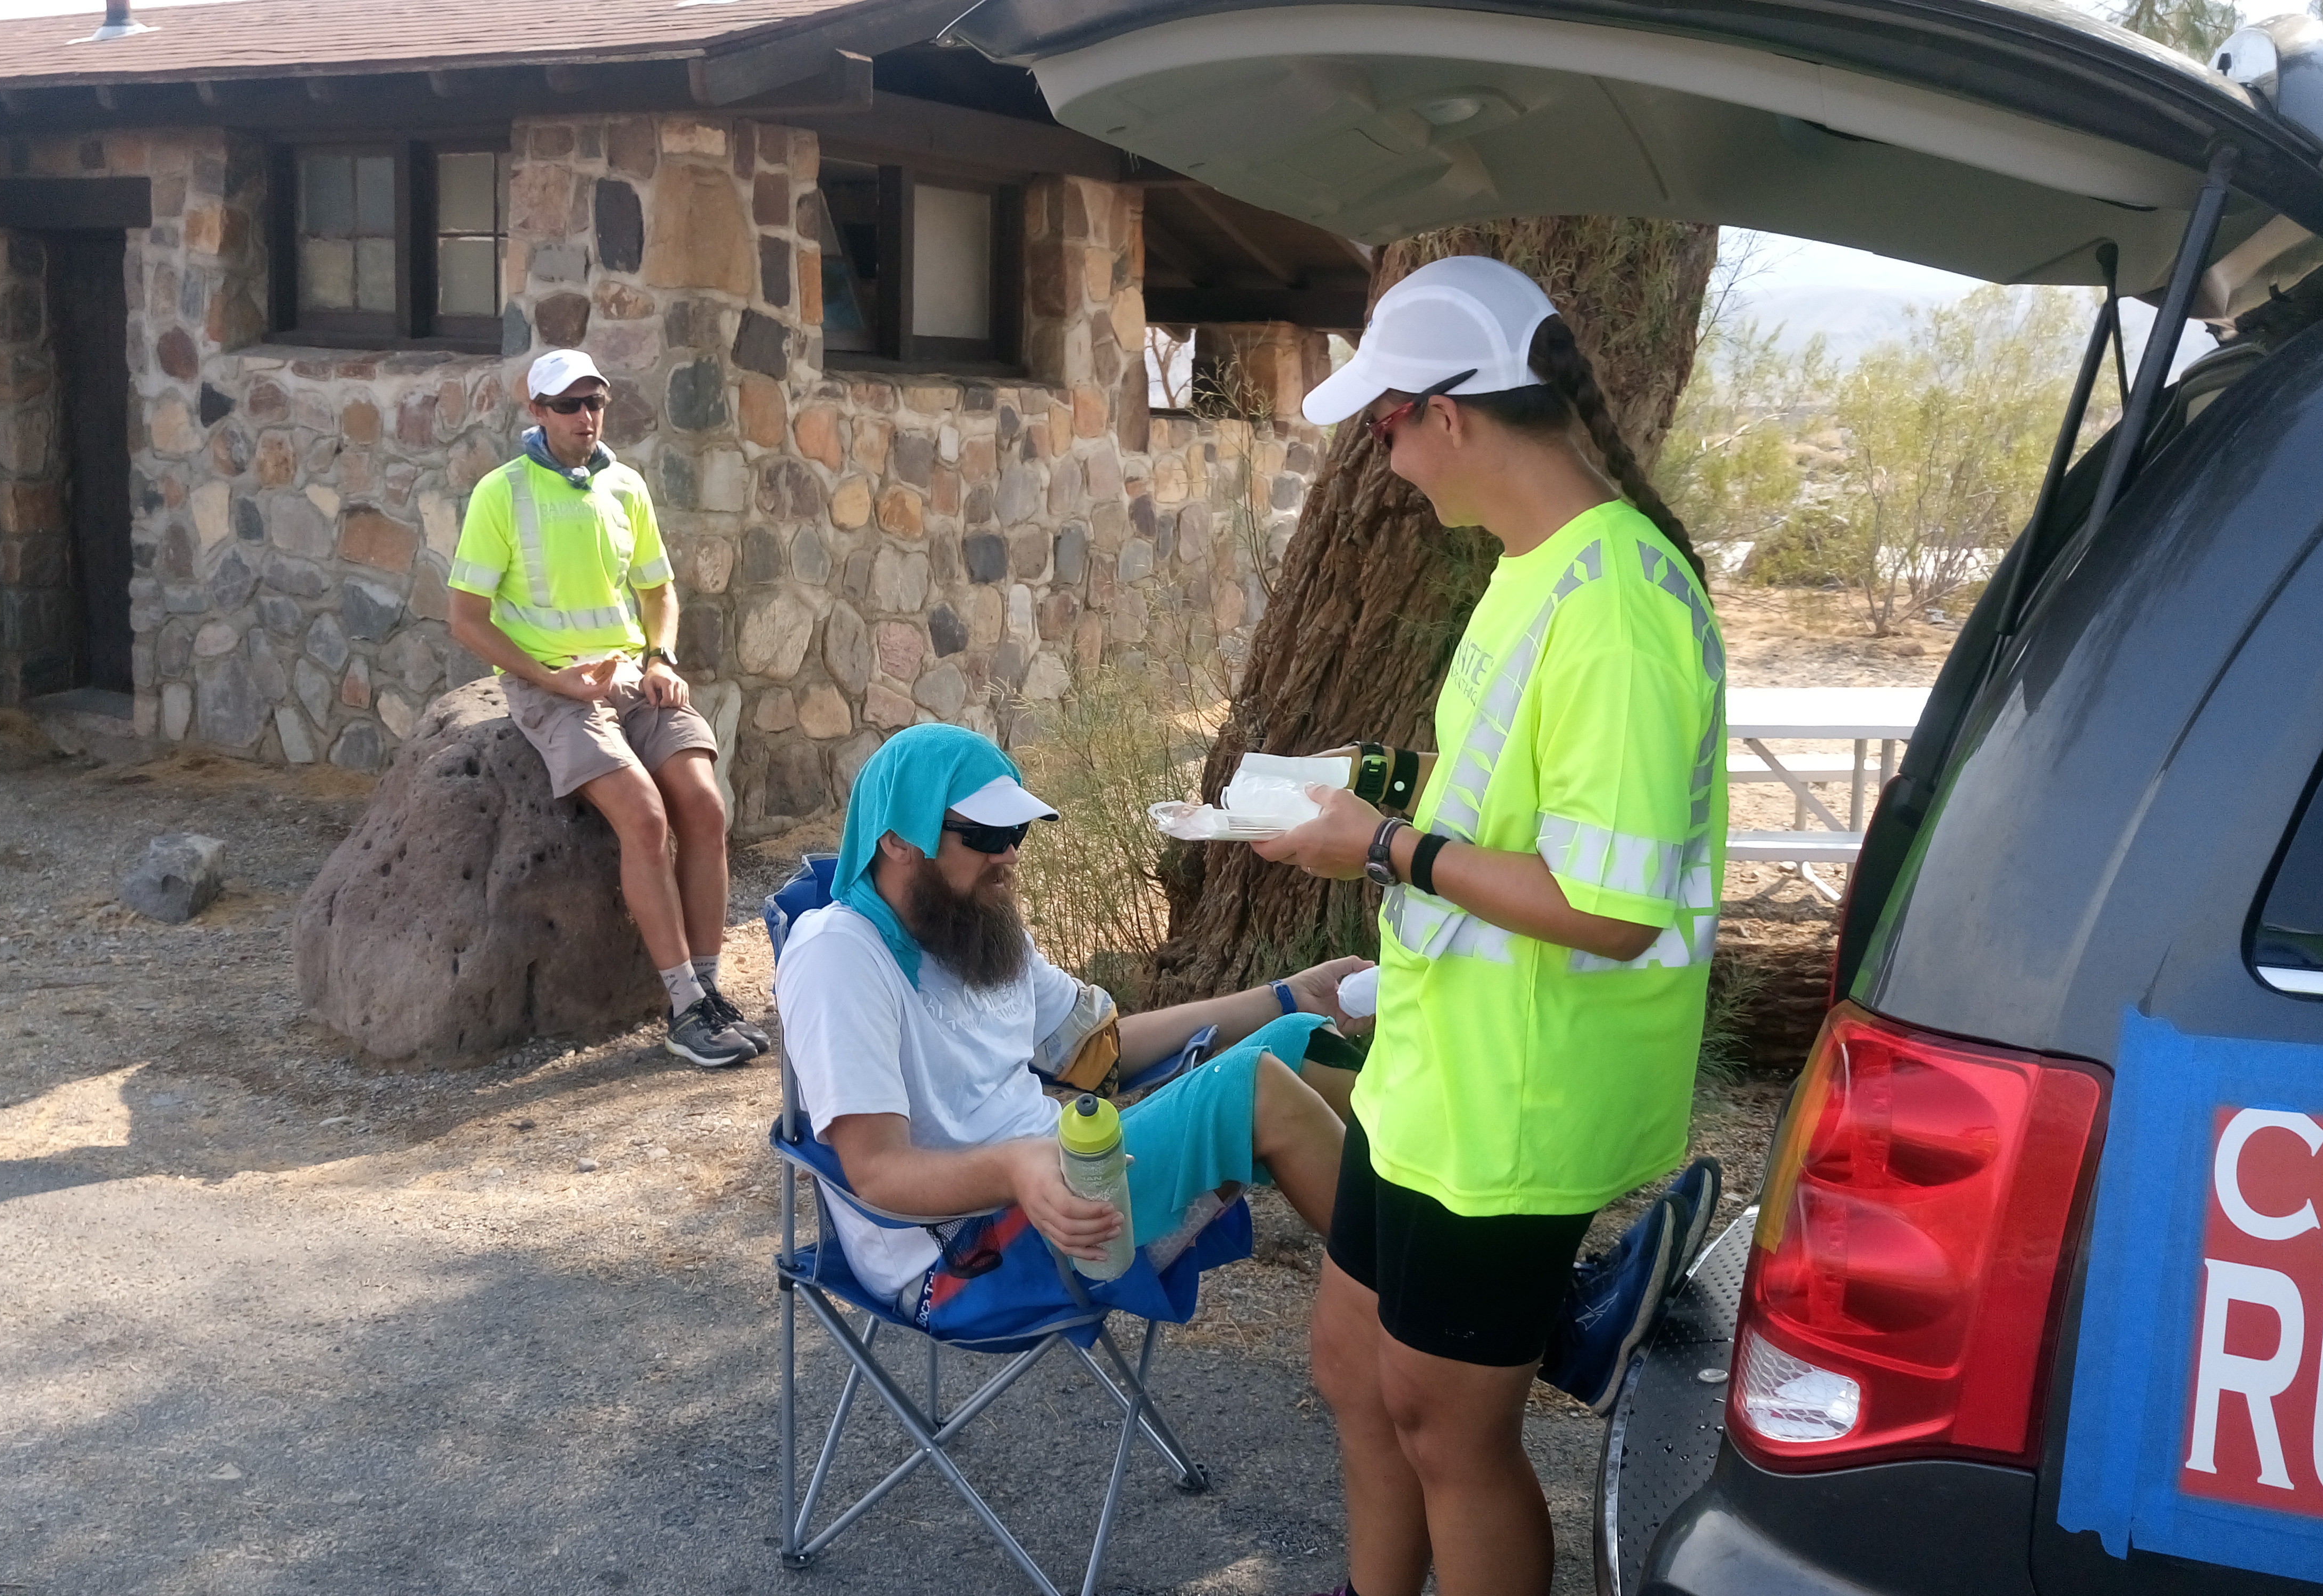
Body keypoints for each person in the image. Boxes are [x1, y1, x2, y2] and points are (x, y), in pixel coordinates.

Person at [1254, 257, 1729, 1596]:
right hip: (1440, 1064)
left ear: (1447, 412)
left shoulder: (1618, 607)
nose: (1385, 462)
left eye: (1382, 428)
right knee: (1355, 1367)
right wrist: (1380, 784)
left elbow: (1611, 909)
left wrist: (1386, 843)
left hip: (1525, 1091)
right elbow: (1512, 797)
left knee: (1445, 1421)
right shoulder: (1534, 566)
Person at [776, 723, 1360, 1321]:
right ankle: (1422, 1310)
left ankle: (1440, 1225)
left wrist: (1287, 995)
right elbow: (876, 1172)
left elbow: (1097, 1053)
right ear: (899, 837)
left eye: (1016, 832)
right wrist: (1016, 1166)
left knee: (1296, 1039)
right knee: (1257, 1088)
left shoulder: (973, 928)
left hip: (1059, 1183)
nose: (1006, 854)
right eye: (984, 833)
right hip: (961, 1254)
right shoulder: (840, 954)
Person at [447, 349, 765, 1068]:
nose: (585, 417)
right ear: (536, 413)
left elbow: (659, 591)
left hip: (633, 678)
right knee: (646, 817)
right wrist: (554, 682)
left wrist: (660, 659)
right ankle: (684, 1006)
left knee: (706, 810)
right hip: (554, 688)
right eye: (567, 405)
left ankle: (710, 993)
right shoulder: (502, 494)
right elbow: (466, 619)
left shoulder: (626, 487)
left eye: (594, 402)